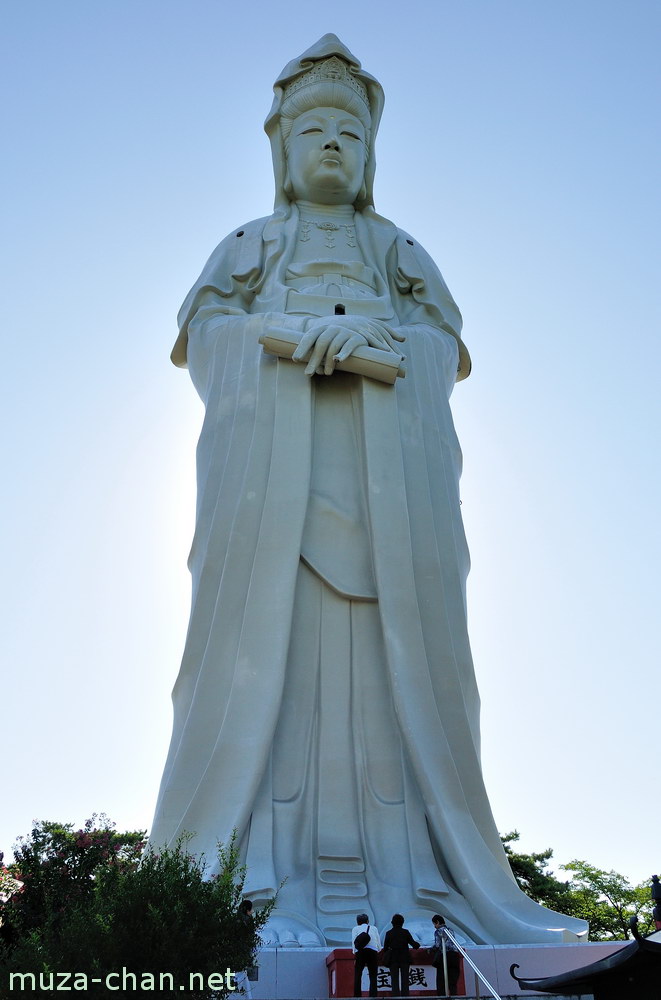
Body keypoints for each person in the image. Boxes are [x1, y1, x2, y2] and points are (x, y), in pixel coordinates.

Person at [149, 33, 588, 948]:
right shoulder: (250, 245)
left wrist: (381, 354)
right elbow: (206, 336)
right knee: (267, 666)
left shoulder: (396, 250)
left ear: (370, 151)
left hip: (392, 499)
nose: (332, 146)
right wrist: (278, 339)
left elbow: (441, 349)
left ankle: (426, 886)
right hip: (277, 493)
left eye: (349, 131)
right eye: (313, 129)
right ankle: (252, 889)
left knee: (404, 678)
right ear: (280, 147)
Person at [382, 914, 420, 998]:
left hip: (393, 959)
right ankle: (405, 997)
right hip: (404, 958)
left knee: (394, 980)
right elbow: (414, 944)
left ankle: (395, 996)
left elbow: (385, 948)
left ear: (392, 923)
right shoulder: (405, 932)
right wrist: (417, 944)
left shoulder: (388, 933)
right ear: (402, 923)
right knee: (405, 980)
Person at [351, 913, 382, 998]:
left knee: (358, 974)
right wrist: (378, 949)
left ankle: (357, 995)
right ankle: (373, 995)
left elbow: (354, 942)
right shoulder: (374, 928)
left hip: (360, 952)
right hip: (372, 951)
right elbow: (378, 941)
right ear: (368, 921)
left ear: (357, 922)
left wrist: (355, 953)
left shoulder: (355, 929)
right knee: (373, 975)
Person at [431, 915, 461, 997]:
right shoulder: (450, 930)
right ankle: (454, 996)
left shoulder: (438, 931)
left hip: (445, 957)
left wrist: (430, 949)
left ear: (437, 922)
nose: (434, 926)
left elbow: (437, 945)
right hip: (454, 956)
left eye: (434, 924)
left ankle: (442, 997)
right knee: (453, 981)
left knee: (441, 981)